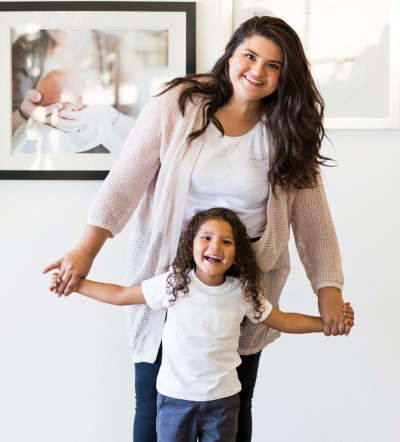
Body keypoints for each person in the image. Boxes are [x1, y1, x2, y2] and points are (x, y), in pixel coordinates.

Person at [44, 16, 350, 442]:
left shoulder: (287, 132)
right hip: (169, 274)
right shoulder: (179, 104)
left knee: (232, 403)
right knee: (153, 401)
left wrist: (328, 292)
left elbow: (314, 219)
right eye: (250, 55)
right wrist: (84, 251)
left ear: (286, 75)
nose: (258, 71)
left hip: (246, 282)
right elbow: (124, 181)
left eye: (274, 65)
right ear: (231, 55)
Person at [49, 208, 354, 442]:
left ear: (236, 253)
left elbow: (283, 320)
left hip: (222, 404)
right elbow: (120, 295)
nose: (215, 246)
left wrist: (326, 323)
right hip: (174, 401)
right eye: (206, 238)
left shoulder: (243, 293)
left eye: (226, 241)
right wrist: (77, 285)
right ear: (191, 245)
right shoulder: (174, 285)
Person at [12, 29, 136, 139]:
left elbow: (138, 129)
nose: (61, 26)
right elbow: (7, 130)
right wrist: (24, 114)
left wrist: (109, 115)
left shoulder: (116, 48)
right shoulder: (25, 48)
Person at [12, 68, 125, 154]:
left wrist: (110, 115)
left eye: (71, 105)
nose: (64, 111)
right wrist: (24, 114)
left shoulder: (99, 127)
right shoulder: (36, 133)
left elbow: (124, 146)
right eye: (54, 105)